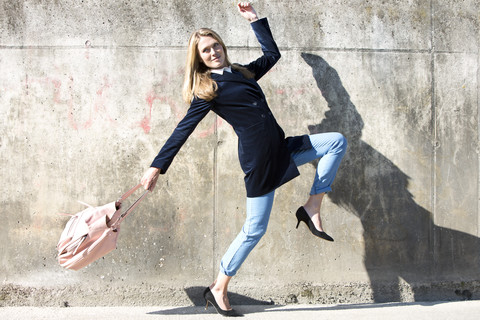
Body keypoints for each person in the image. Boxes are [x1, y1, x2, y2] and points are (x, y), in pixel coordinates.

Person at [141, 2, 347, 317]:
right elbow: (182, 131)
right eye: (205, 51)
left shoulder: (242, 72)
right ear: (199, 59)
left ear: (222, 46)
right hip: (260, 161)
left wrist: (255, 21)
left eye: (215, 46)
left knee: (335, 142)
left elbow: (272, 55)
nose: (212, 52)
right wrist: (157, 166)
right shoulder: (207, 90)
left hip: (282, 147)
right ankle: (219, 286)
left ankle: (312, 206)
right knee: (254, 229)